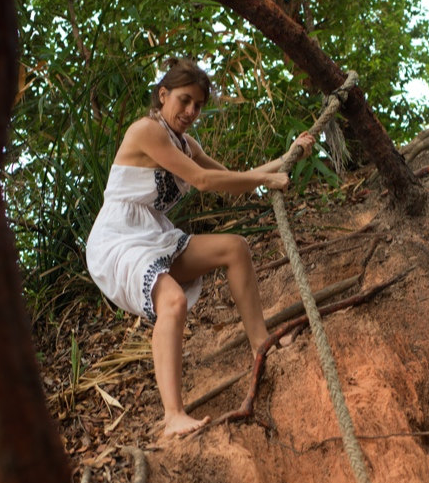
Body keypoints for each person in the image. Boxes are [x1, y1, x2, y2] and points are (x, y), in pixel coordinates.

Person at [86, 58, 315, 439]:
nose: (191, 111)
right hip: (118, 239)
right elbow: (204, 181)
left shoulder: (186, 143)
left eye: (198, 105)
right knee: (171, 301)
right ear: (163, 96)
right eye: (184, 100)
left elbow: (232, 179)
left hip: (152, 236)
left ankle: (261, 343)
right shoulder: (147, 131)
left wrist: (289, 156)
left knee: (234, 248)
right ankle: (173, 415)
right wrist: (269, 177)